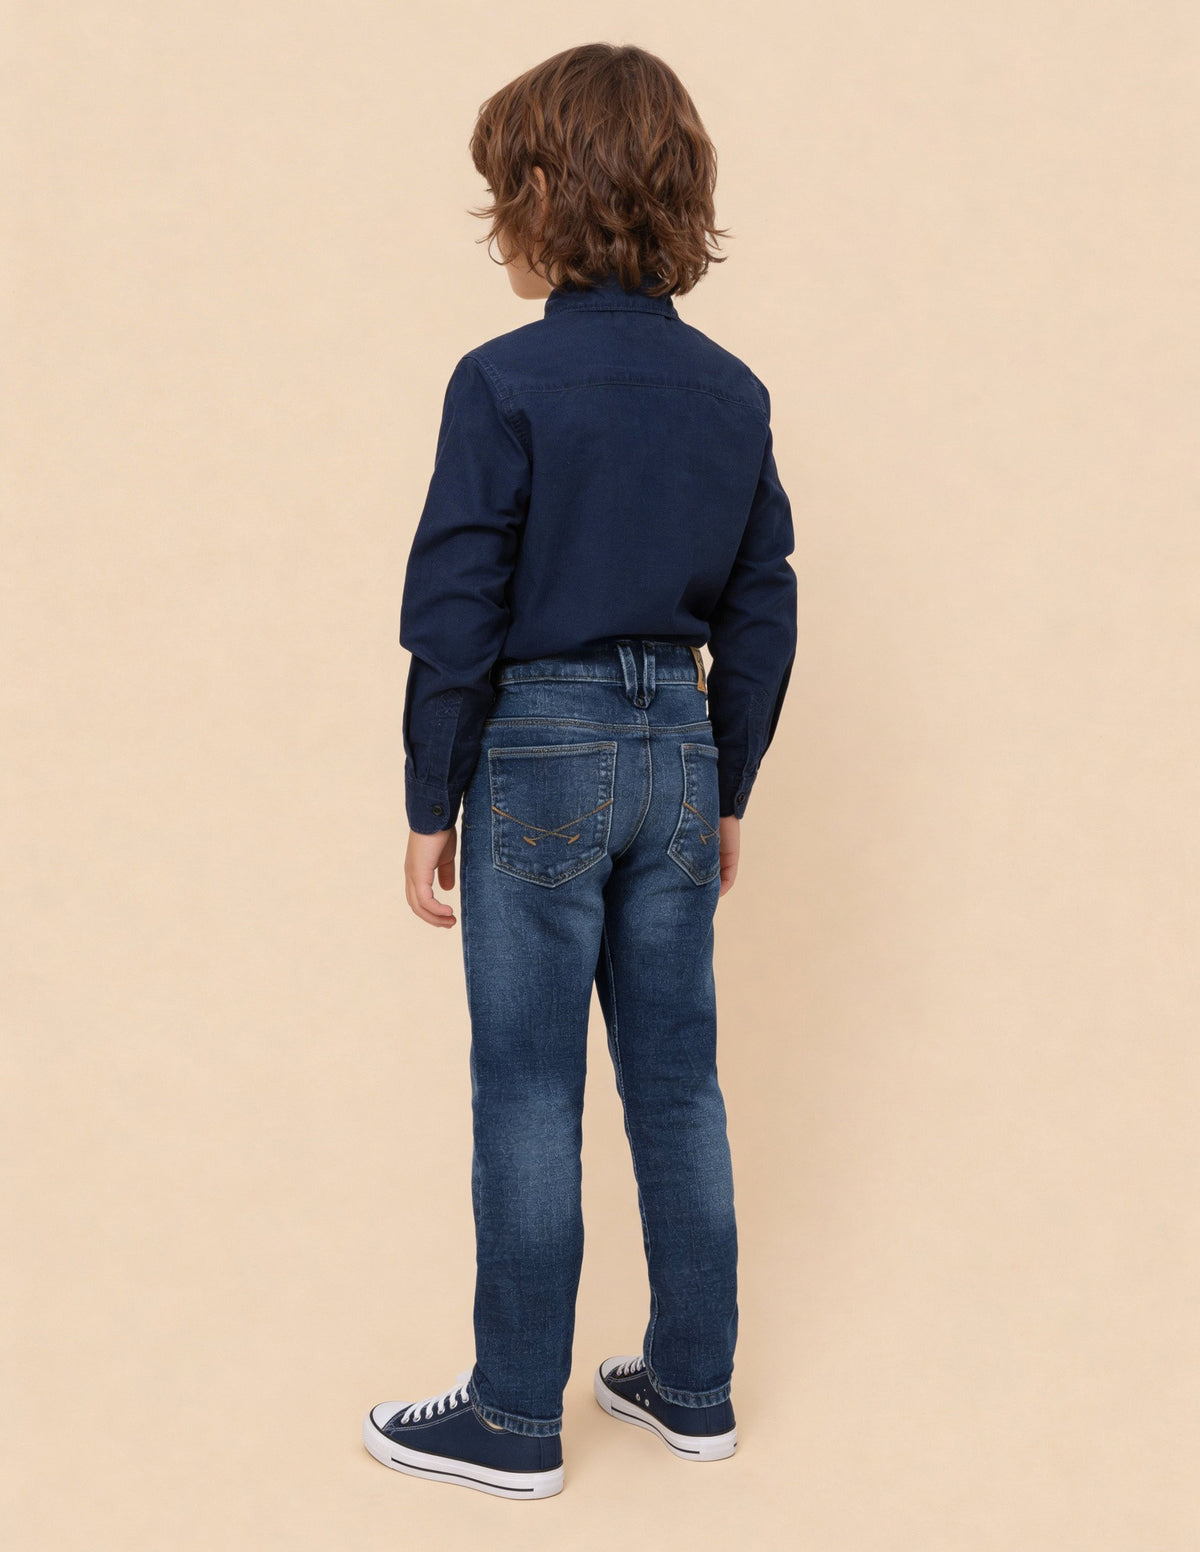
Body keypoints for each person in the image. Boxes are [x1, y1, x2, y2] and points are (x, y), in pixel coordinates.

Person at [363, 42, 797, 1499]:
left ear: (547, 193)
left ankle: (511, 1418)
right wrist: (724, 782)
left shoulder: (502, 382)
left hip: (538, 747)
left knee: (529, 1090)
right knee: (679, 1086)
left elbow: (457, 602)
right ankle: (694, 1388)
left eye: (507, 190)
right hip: (678, 743)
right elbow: (763, 603)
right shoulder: (731, 394)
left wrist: (431, 793)